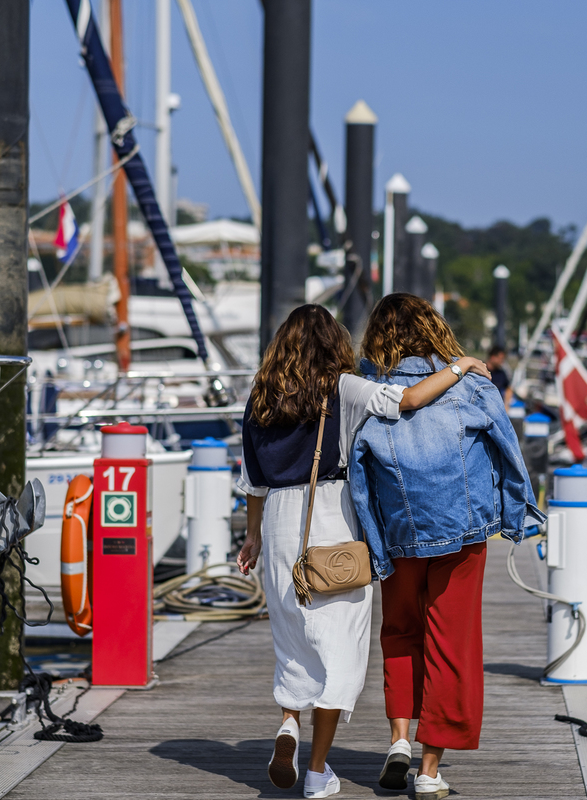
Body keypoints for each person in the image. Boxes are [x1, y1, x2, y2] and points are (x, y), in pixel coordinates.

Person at [235, 304, 491, 799]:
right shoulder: (343, 387)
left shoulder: (261, 396)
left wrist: (252, 536)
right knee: (340, 650)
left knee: (292, 640)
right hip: (332, 521)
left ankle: (289, 722)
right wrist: (460, 365)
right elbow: (410, 400)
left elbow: (252, 480)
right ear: (334, 343)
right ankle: (316, 773)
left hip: (279, 523)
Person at [348, 294, 544, 800]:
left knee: (399, 633)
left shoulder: (372, 394)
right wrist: (518, 514)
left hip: (399, 536)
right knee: (451, 644)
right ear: (435, 329)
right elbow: (508, 452)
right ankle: (430, 769)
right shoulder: (474, 384)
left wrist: (374, 543)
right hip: (463, 533)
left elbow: (358, 479)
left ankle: (398, 740)